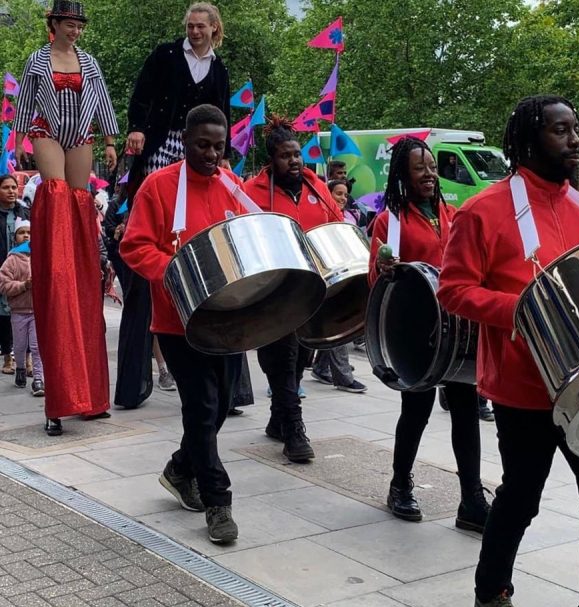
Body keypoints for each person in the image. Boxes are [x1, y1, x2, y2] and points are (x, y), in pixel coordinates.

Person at [438, 95, 579, 607]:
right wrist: (522, 308)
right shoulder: (484, 209)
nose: (574, 140)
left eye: (576, 129)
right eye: (559, 131)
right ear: (528, 139)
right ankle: (490, 598)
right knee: (521, 498)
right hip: (524, 389)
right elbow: (452, 289)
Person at [119, 104, 246, 544]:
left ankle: (179, 468)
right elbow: (135, 247)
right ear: (185, 142)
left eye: (218, 146)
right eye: (202, 145)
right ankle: (218, 501)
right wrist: (177, 271)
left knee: (221, 406)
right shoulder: (158, 186)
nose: (212, 154)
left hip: (226, 317)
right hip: (178, 321)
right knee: (202, 407)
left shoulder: (232, 184)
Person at [368, 136, 491, 531]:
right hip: (417, 332)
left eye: (433, 167)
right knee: (416, 412)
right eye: (420, 168)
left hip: (458, 331)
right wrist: (385, 269)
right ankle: (400, 484)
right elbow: (378, 282)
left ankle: (471, 500)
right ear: (404, 173)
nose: (429, 174)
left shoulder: (453, 214)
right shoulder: (391, 221)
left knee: (466, 412)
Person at [13, 0, 118, 435]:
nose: (75, 31)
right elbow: (24, 107)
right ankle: (56, 257)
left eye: (79, 25)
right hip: (45, 132)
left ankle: (90, 395)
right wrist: (20, 139)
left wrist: (110, 140)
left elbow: (103, 102)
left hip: (81, 136)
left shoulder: (89, 62)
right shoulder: (38, 60)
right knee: (56, 200)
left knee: (78, 206)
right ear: (53, 23)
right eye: (69, 23)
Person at [242, 116, 348, 462]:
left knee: (302, 356)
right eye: (286, 156)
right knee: (282, 358)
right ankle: (294, 429)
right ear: (271, 159)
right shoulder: (252, 192)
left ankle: (278, 418)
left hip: (313, 290)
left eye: (298, 154)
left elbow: (337, 226)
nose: (295, 161)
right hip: (275, 293)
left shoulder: (316, 186)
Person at [125, 2, 231, 186]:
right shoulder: (166, 54)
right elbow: (142, 93)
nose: (195, 31)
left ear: (213, 27)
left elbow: (222, 114)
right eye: (190, 26)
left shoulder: (219, 69)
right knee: (157, 188)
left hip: (198, 144)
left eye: (200, 26)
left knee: (190, 194)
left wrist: (225, 154)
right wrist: (136, 128)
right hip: (161, 137)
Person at [308, 178, 368, 394]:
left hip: (344, 275)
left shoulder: (348, 217)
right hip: (325, 275)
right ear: (327, 195)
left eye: (345, 194)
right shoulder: (321, 217)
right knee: (338, 321)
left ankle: (321, 367)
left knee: (333, 325)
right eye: (338, 194)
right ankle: (343, 377)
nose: (343, 198)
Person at [0, 221, 44, 396]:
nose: (26, 236)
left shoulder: (40, 257)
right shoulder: (10, 261)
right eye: (22, 232)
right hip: (18, 311)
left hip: (37, 312)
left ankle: (39, 379)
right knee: (19, 346)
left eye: (29, 232)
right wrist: (23, 285)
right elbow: (4, 285)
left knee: (36, 346)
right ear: (15, 237)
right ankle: (20, 368)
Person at [0, 174, 30, 376]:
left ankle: (26, 359)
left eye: (14, 187)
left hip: (25, 267)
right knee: (3, 315)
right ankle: (7, 357)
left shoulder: (25, 211)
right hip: (5, 268)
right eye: (6, 187)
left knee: (27, 314)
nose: (11, 191)